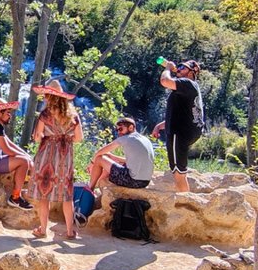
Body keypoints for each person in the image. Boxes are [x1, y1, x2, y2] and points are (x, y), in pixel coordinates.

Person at [29, 80, 83, 240]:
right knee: (66, 194)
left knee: (44, 193)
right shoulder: (73, 115)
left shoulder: (45, 114)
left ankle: (43, 229)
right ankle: (69, 231)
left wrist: (46, 136)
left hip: (46, 155)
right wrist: (65, 138)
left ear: (49, 96)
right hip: (65, 156)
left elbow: (38, 137)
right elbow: (79, 138)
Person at [152, 59, 205, 193]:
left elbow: (165, 81)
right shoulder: (192, 88)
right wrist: (161, 125)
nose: (179, 69)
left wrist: (168, 68)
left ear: (192, 72)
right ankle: (184, 198)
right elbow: (186, 113)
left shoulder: (187, 83)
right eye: (179, 66)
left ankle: (184, 202)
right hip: (184, 131)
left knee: (178, 172)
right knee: (179, 170)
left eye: (183, 67)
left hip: (179, 133)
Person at [87, 117, 156, 190]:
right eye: (117, 130)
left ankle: (90, 189)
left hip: (132, 181)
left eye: (120, 129)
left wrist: (92, 163)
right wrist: (112, 156)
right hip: (145, 182)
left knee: (99, 159)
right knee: (116, 162)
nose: (119, 132)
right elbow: (134, 161)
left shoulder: (125, 138)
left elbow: (99, 152)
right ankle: (97, 184)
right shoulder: (145, 139)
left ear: (131, 127)